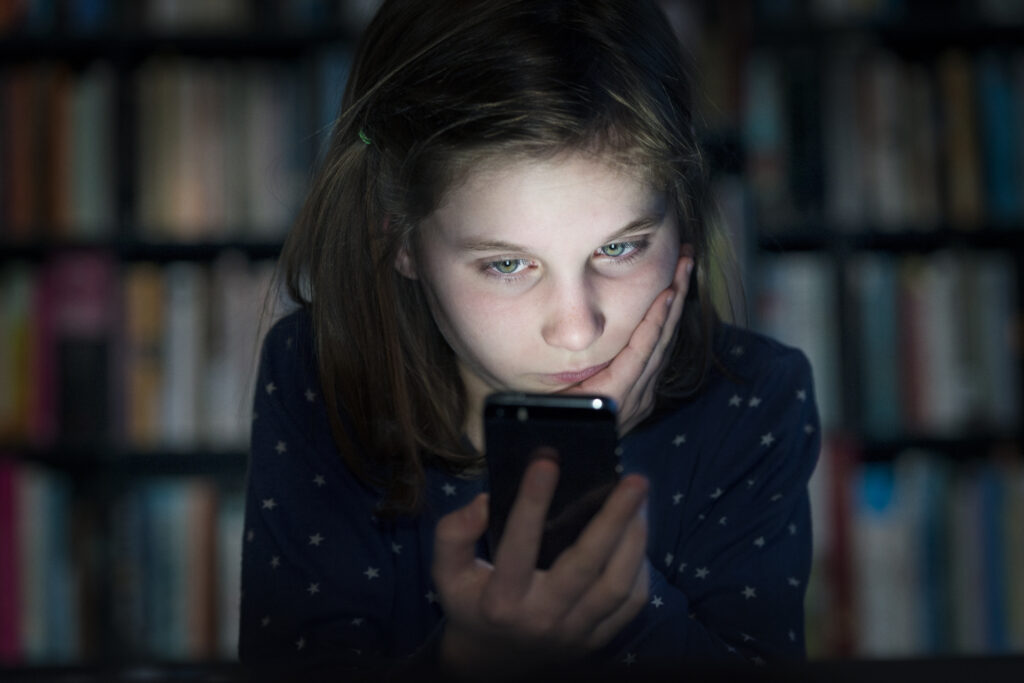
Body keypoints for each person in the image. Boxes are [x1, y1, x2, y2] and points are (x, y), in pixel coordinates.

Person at [238, 0, 820, 679]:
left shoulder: (753, 397)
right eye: (508, 264)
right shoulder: (319, 374)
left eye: (621, 248)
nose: (577, 329)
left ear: (683, 218)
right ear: (402, 241)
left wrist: (579, 472)